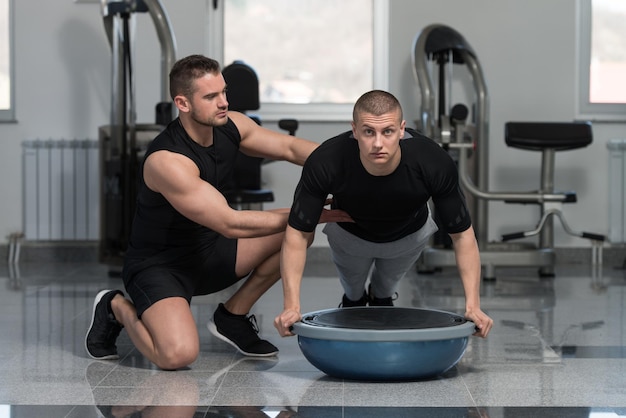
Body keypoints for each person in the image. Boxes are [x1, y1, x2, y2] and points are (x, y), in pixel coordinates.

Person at [85, 54, 351, 370]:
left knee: (295, 235)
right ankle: (114, 306)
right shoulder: (168, 162)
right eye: (211, 97)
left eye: (223, 92)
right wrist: (311, 213)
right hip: (160, 267)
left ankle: (232, 317)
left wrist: (350, 171)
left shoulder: (231, 125)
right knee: (176, 356)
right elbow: (231, 222)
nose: (223, 102)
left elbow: (291, 149)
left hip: (211, 252)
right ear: (183, 104)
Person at [274, 90, 493, 339]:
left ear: (401, 129)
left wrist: (473, 306)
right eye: (368, 131)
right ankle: (353, 301)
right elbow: (298, 234)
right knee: (353, 290)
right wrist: (291, 307)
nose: (378, 143)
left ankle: (381, 299)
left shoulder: (433, 162)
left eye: (387, 131)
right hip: (349, 235)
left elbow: (463, 236)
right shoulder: (325, 161)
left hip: (409, 236)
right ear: (354, 130)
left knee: (385, 288)